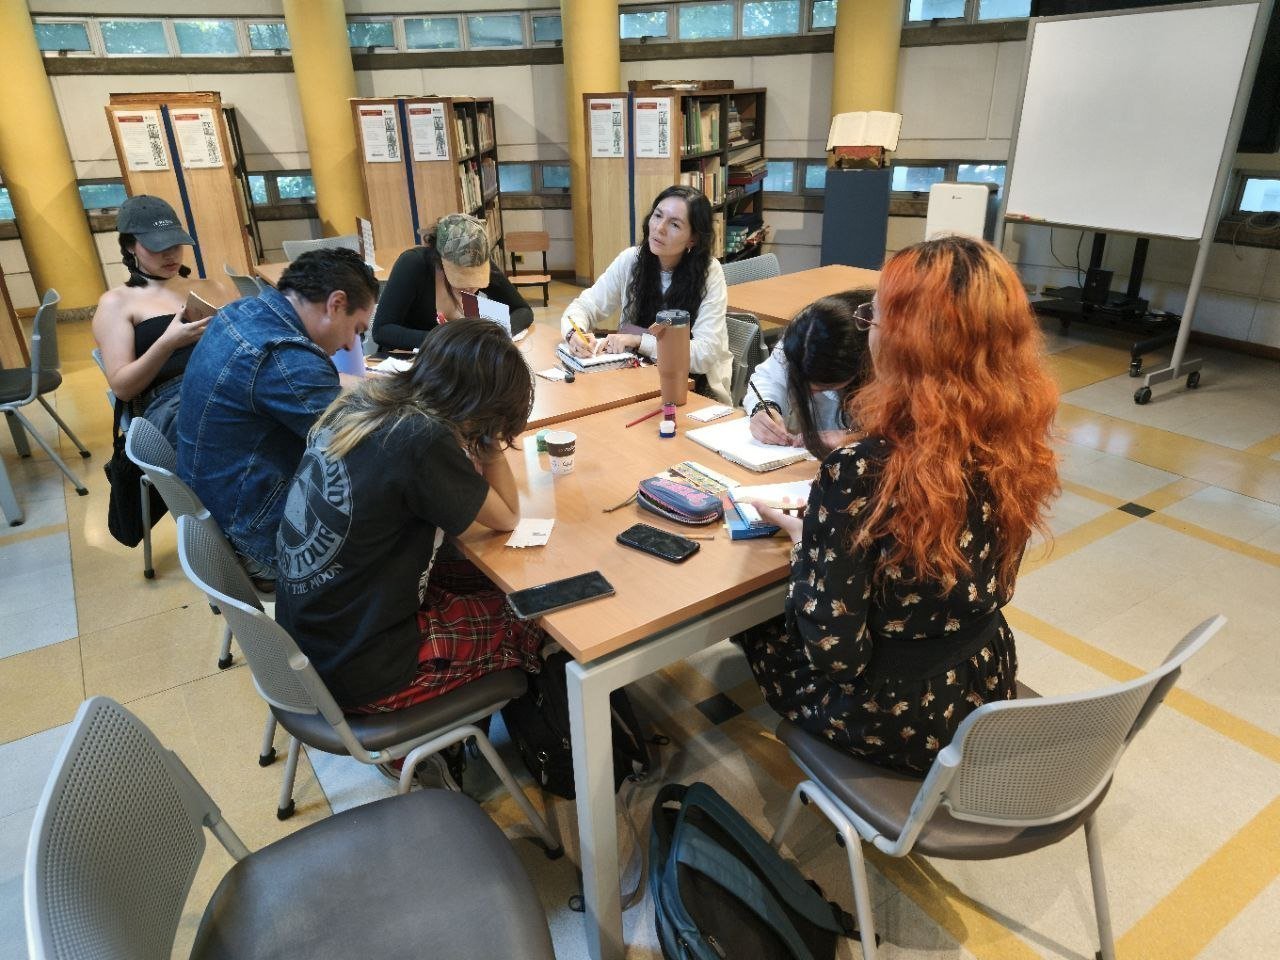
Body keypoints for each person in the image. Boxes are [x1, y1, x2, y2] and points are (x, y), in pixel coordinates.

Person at [741, 236, 1059, 775]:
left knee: (753, 625)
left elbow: (835, 656)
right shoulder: (1016, 442)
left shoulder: (860, 470)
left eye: (873, 316)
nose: (866, 328)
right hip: (984, 681)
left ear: (907, 344)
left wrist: (804, 543)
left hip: (896, 718)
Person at [275, 319, 544, 714]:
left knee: (486, 583)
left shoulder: (363, 402)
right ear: (484, 412)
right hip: (362, 671)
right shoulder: (424, 439)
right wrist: (489, 441)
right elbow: (507, 517)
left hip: (313, 643)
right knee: (530, 615)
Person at [177, 248, 378, 586]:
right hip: (257, 538)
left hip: (223, 509)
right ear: (336, 303)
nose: (350, 345)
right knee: (400, 505)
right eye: (357, 330)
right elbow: (363, 445)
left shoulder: (245, 313)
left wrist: (377, 390)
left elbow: (312, 384)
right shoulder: (283, 356)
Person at [561, 185, 733, 405]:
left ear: (693, 238)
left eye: (674, 224)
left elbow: (705, 354)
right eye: (657, 215)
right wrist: (574, 334)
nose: (659, 228)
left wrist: (639, 341)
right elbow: (583, 307)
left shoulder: (709, 273)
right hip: (636, 377)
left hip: (693, 387)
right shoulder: (631, 261)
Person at [91, 195, 206, 442]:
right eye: (157, 247)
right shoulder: (117, 302)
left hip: (228, 380)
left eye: (175, 245)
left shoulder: (210, 287)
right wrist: (167, 343)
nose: (170, 255)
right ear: (130, 246)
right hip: (174, 399)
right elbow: (122, 388)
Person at [371, 213, 533, 350]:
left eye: (476, 277)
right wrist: (449, 340)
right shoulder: (413, 265)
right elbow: (382, 331)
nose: (471, 287)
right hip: (409, 359)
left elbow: (522, 310)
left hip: (455, 361)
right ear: (440, 261)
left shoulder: (477, 258)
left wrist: (498, 335)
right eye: (462, 277)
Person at [746, 289, 873, 459]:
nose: (808, 393)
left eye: (822, 388)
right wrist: (764, 408)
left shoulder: (886, 359)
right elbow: (768, 378)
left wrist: (856, 437)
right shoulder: (804, 339)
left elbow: (905, 433)